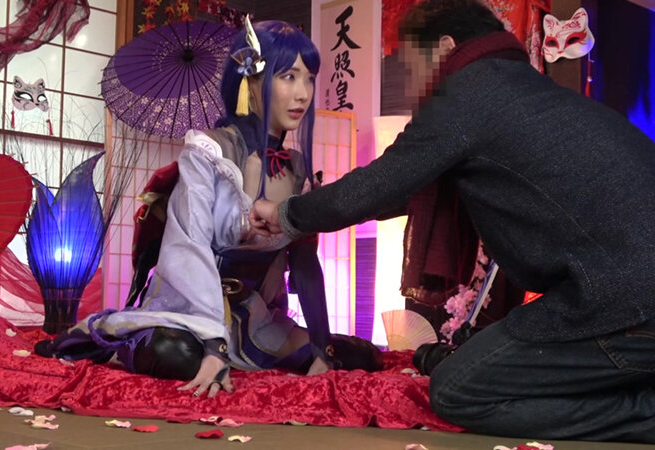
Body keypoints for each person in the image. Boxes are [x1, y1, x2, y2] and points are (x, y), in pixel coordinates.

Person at [250, 0, 655, 443]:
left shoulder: (468, 92)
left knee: (459, 389)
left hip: (625, 301)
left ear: (444, 48)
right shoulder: (520, 88)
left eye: (410, 66)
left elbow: (381, 183)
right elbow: (405, 189)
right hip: (627, 288)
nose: (412, 84)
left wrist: (286, 213)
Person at [36, 18, 382, 398]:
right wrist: (214, 346)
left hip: (254, 318)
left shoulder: (298, 168)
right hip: (188, 309)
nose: (303, 94)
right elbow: (189, 244)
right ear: (250, 82)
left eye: (309, 78)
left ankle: (259, 349)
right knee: (177, 353)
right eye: (288, 76)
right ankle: (112, 341)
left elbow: (303, 261)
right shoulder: (208, 152)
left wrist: (321, 347)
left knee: (358, 355)